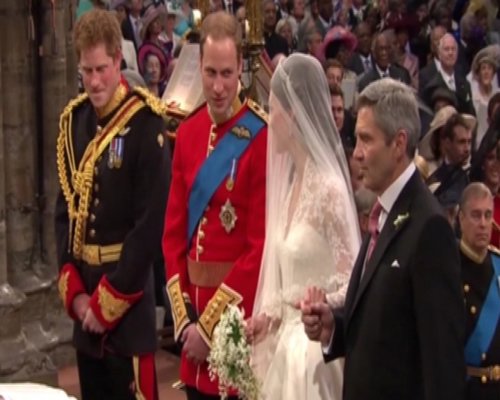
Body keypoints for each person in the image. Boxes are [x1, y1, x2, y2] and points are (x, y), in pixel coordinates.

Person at [299, 78, 466, 400]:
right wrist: (334, 326)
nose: (358, 154)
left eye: (366, 140)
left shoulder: (429, 228)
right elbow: (384, 326)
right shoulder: (384, 212)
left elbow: (442, 361)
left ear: (399, 143)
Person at [55, 9, 171, 400]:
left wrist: (106, 304)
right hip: (85, 310)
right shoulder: (74, 122)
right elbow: (64, 214)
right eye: (86, 71)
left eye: (101, 69)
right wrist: (76, 293)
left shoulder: (146, 124)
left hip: (127, 310)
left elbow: (148, 227)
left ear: (118, 61)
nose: (94, 81)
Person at [162, 11, 267, 400]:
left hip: (233, 331)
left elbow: (258, 248)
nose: (219, 86)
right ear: (199, 67)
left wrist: (209, 329)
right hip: (191, 327)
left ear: (241, 68)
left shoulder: (260, 137)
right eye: (210, 73)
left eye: (227, 73)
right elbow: (173, 236)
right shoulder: (188, 132)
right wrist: (185, 319)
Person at [248, 53, 360, 400]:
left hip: (315, 355)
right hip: (285, 349)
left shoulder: (329, 189)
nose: (269, 120)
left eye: (273, 109)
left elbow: (353, 280)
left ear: (293, 113)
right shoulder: (290, 187)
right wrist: (268, 318)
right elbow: (287, 281)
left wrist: (319, 304)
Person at [458, 182, 500, 399]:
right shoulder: (449, 267)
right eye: (476, 215)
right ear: (461, 219)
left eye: (487, 215)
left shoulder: (498, 264)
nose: (483, 224)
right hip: (467, 390)